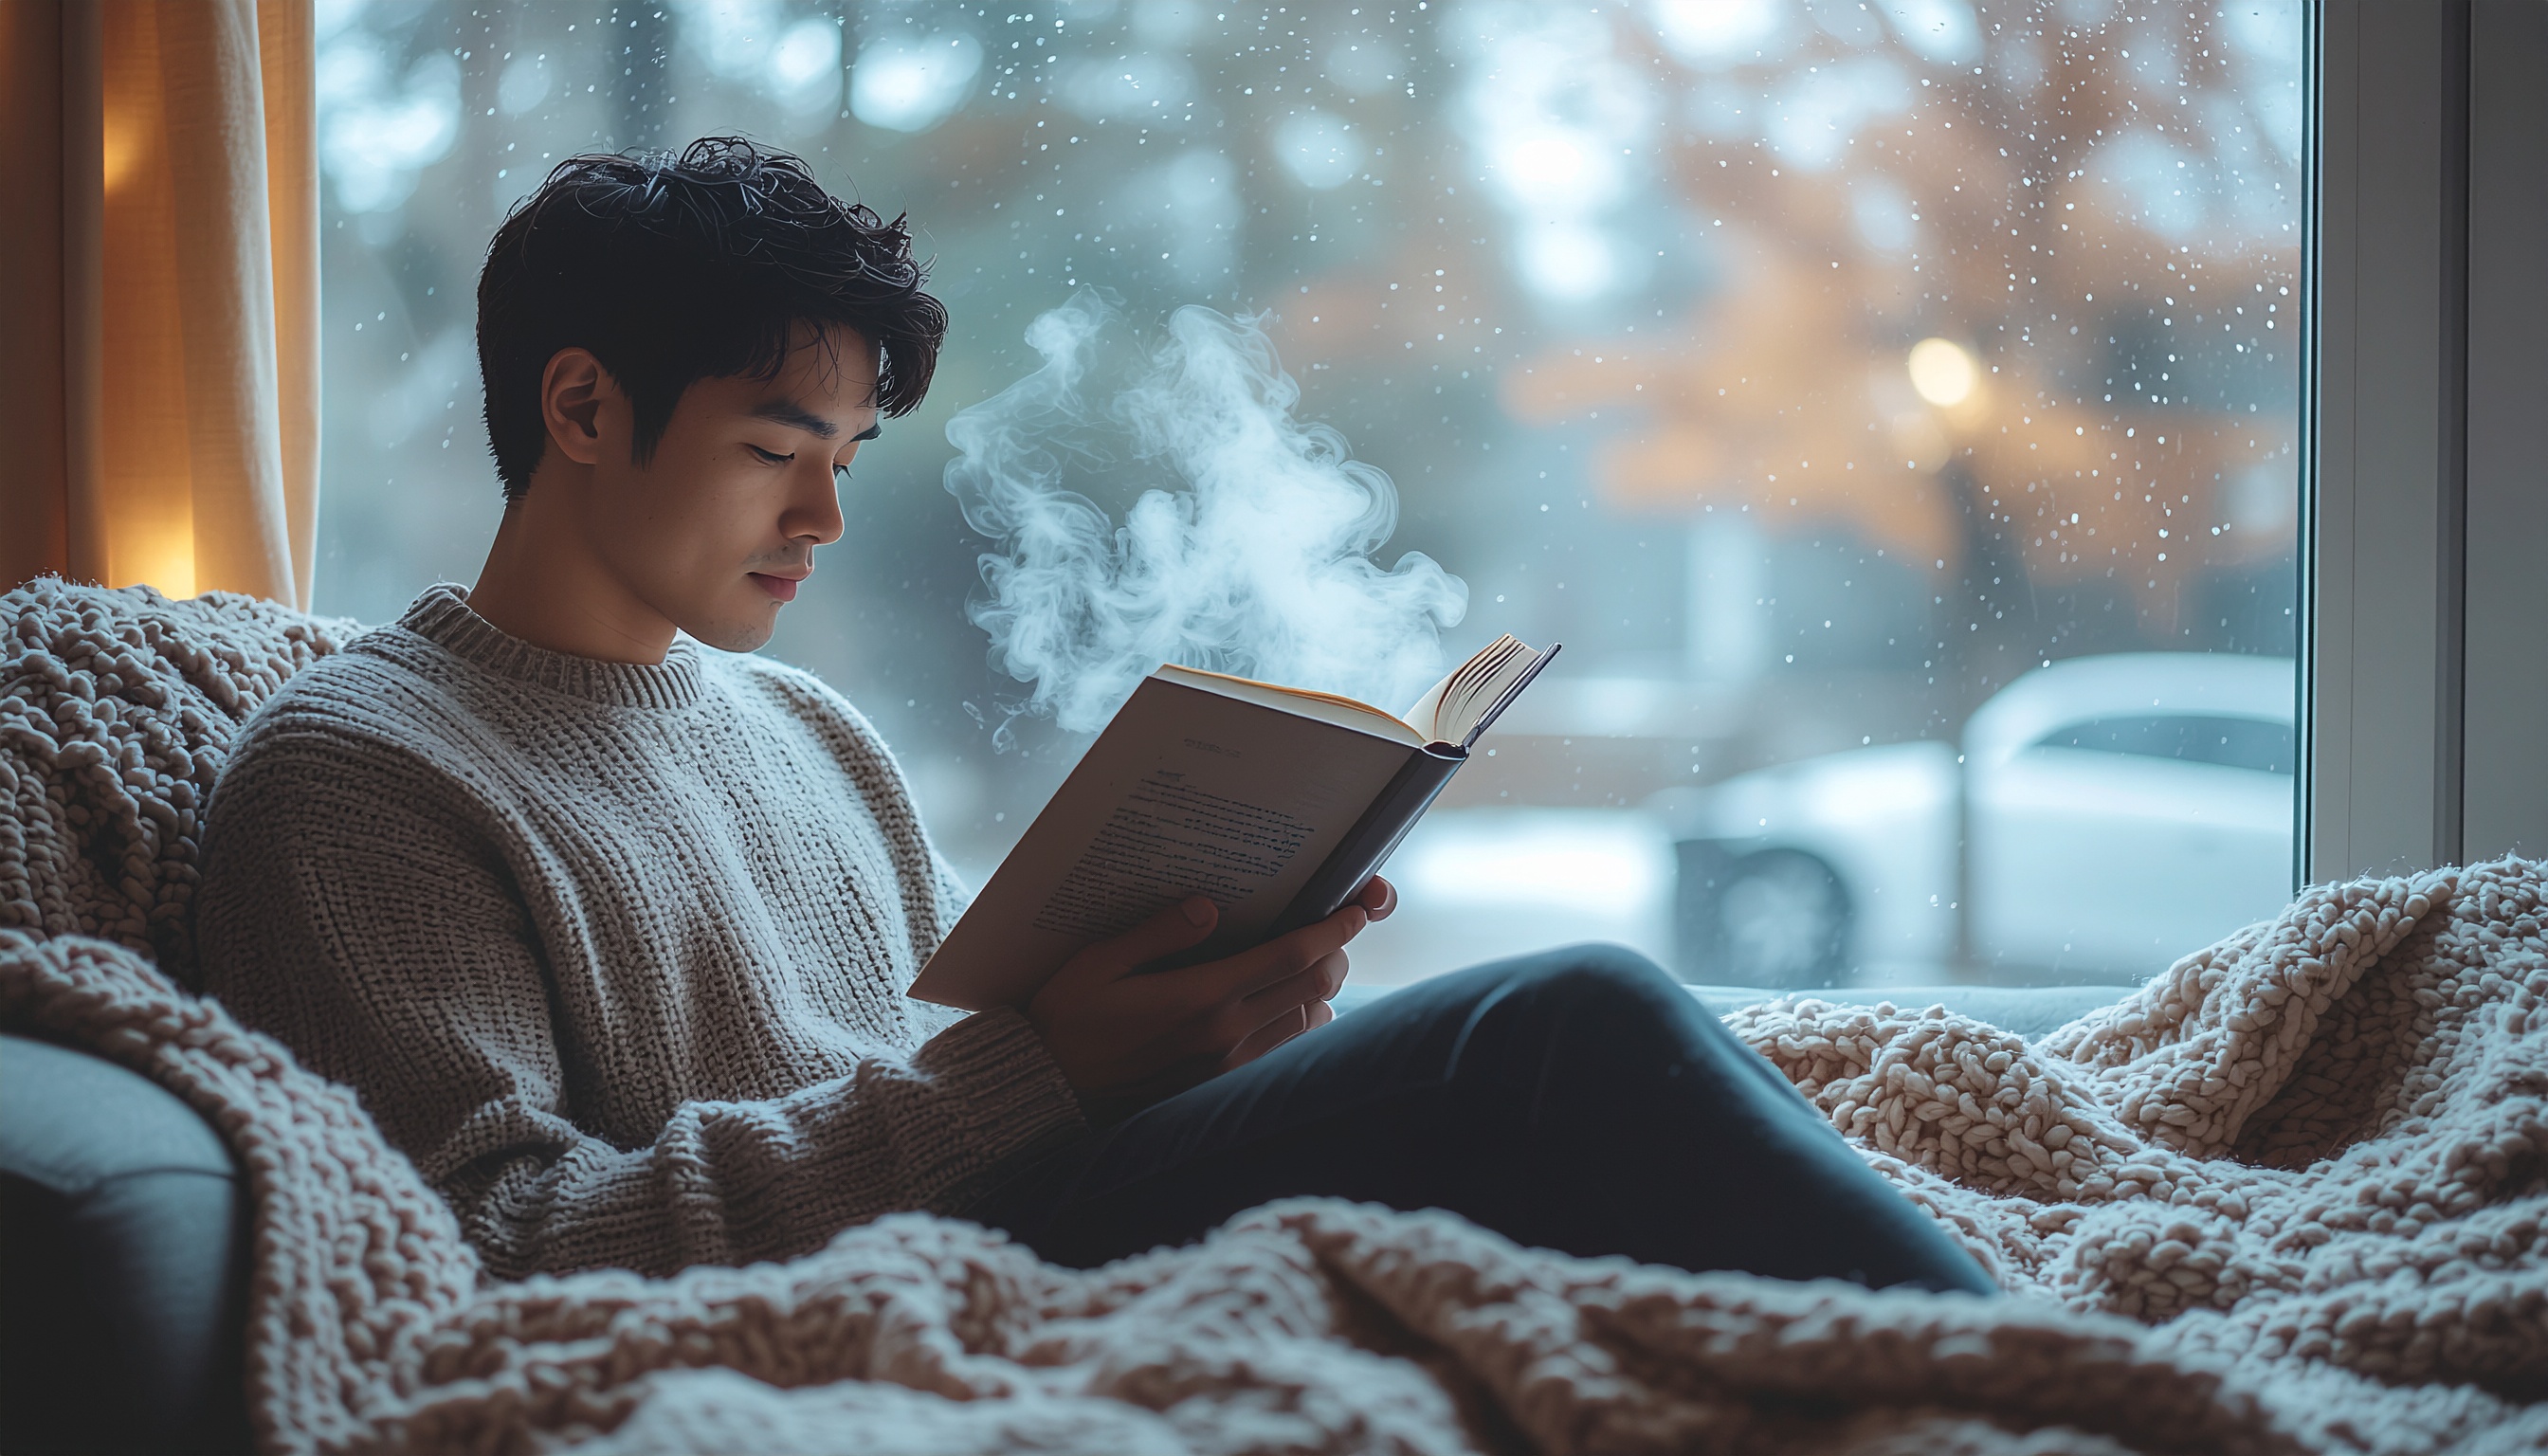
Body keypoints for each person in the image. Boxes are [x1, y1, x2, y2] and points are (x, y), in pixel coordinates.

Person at [194, 137, 1992, 1296]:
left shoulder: (809, 732)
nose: (822, 520)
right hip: (903, 1282)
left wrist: (1202, 1019)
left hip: (1043, 1208)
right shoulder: (362, 778)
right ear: (582, 408)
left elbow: (952, 1074)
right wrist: (1043, 1071)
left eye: (847, 461)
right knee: (1564, 1026)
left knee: (1587, 1081)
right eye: (771, 452)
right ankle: (2039, 1389)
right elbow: (485, 1249)